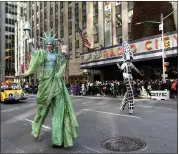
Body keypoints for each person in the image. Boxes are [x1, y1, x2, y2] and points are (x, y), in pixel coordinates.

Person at [25, 32, 78, 147]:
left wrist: (64, 51)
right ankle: (36, 130)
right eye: (47, 43)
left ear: (53, 45)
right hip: (46, 83)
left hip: (56, 82)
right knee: (42, 109)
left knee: (59, 111)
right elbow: (34, 53)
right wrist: (29, 42)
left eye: (51, 43)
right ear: (45, 44)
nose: (49, 45)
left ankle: (57, 138)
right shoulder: (42, 53)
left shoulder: (57, 55)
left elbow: (63, 60)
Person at [116, 40, 142, 114]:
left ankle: (123, 105)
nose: (130, 58)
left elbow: (136, 69)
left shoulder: (131, 64)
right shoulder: (124, 64)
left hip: (130, 77)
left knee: (129, 92)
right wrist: (118, 66)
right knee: (130, 92)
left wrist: (139, 72)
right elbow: (121, 69)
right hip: (126, 76)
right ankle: (130, 109)